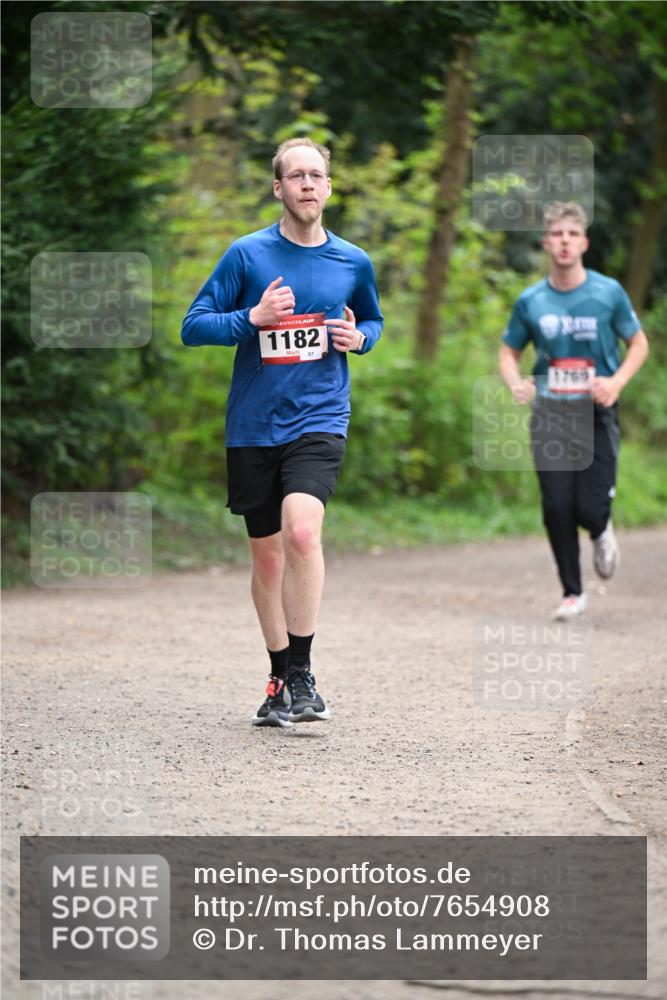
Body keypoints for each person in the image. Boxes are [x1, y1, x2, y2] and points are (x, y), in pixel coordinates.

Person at [181, 138, 383, 725]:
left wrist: (360, 338)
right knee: (266, 558)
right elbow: (193, 327)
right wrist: (252, 318)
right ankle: (278, 678)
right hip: (252, 426)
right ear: (279, 188)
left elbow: (370, 317)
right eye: (296, 176)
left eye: (317, 175)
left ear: (329, 186)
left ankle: (303, 673)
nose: (308, 185)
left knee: (301, 532)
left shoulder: (353, 261)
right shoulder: (246, 256)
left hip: (320, 417)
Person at [499, 202, 649, 620]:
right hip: (551, 414)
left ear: (583, 242)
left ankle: (601, 530)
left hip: (597, 413)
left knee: (589, 508)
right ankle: (572, 592)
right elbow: (509, 351)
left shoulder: (608, 293)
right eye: (557, 235)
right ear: (547, 243)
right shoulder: (531, 301)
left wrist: (616, 382)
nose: (564, 242)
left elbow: (639, 344)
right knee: (557, 506)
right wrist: (516, 382)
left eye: (572, 235)